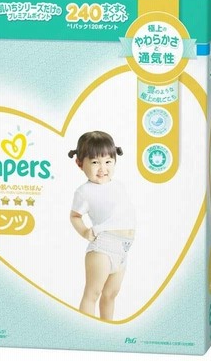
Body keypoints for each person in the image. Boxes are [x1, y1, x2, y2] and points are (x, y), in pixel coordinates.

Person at [68, 131, 136, 320]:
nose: (102, 168)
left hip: (123, 249)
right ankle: (86, 332)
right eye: (95, 162)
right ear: (79, 163)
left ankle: (107, 329)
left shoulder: (119, 185)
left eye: (108, 161)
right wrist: (84, 231)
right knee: (93, 293)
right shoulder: (84, 191)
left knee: (110, 295)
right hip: (103, 248)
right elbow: (74, 216)